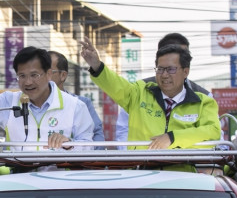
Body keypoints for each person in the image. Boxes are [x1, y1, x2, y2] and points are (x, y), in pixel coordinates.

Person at [79, 37, 220, 150]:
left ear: (185, 71)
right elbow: (117, 86)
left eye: (170, 69)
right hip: (141, 172)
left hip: (182, 173)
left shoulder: (202, 102)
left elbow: (212, 132)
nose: (164, 75)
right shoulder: (140, 92)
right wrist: (97, 65)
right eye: (160, 69)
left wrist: (171, 138)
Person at [115, 33, 209, 144]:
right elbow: (123, 130)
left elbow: (213, 135)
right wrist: (135, 158)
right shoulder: (139, 91)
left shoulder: (204, 97)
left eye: (185, 55)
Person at [47, 50, 105, 144]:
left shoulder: (81, 103)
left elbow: (97, 137)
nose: (41, 77)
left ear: (63, 75)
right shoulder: (28, 104)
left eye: (48, 72)